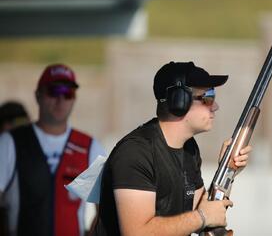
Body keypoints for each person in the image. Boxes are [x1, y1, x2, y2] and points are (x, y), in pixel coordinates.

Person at [94, 61, 252, 235]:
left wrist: (228, 171)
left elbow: (202, 212)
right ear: (180, 100)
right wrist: (202, 217)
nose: (215, 106)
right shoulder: (135, 153)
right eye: (208, 97)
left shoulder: (189, 148)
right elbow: (136, 233)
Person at [0, 64, 106, 236]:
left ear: (74, 99)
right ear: (38, 95)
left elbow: (106, 211)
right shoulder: (10, 143)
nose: (61, 99)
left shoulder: (89, 147)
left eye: (68, 93)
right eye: (54, 91)